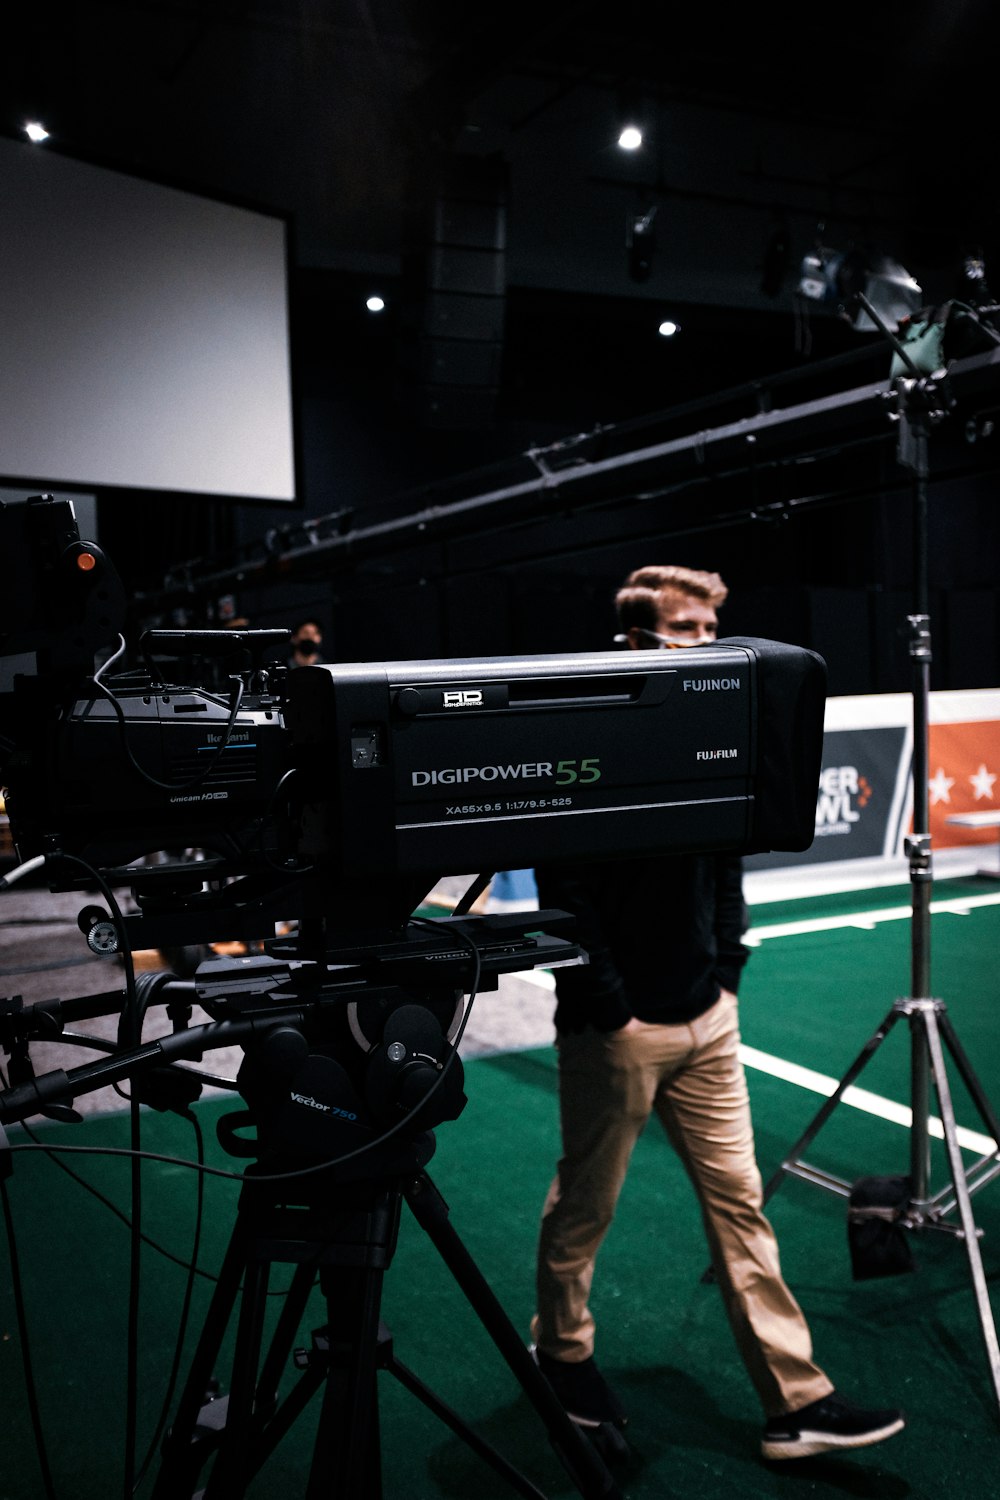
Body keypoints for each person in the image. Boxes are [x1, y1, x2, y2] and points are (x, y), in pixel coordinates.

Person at [530, 564, 906, 1462]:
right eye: (688, 629)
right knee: (585, 1207)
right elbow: (565, 895)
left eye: (709, 629)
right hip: (617, 1034)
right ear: (634, 637)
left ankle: (796, 1402)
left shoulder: (718, 730)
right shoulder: (585, 734)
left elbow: (729, 869)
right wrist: (615, 1011)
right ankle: (562, 1358)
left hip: (708, 1023)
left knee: (742, 1210)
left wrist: (727, 977)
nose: (706, 645)